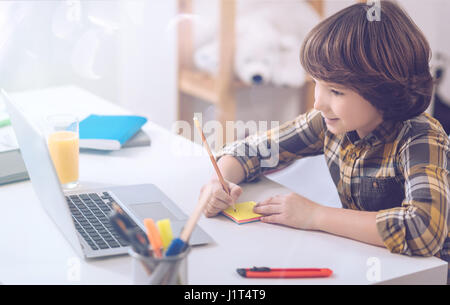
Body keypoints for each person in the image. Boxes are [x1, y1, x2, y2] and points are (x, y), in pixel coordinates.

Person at [198, 0, 449, 282]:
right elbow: (252, 150)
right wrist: (219, 183)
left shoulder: (420, 137)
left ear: (385, 91)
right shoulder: (328, 123)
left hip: (428, 273)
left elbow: (423, 230)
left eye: (336, 91)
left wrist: (315, 216)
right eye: (316, 82)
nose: (318, 102)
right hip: (369, 262)